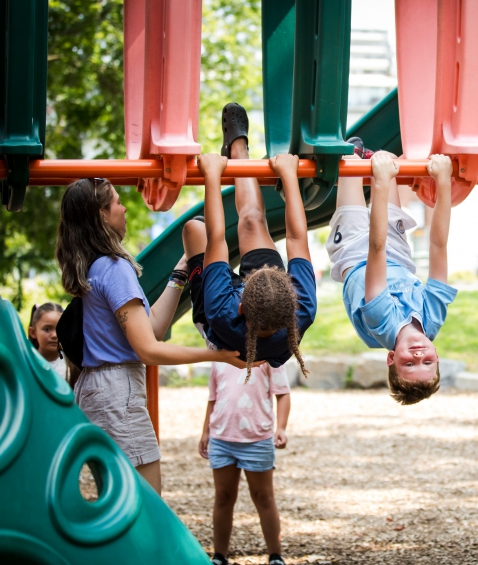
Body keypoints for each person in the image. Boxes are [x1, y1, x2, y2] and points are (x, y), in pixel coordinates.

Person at [56, 178, 243, 494]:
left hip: (100, 390)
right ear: (102, 215)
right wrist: (218, 355)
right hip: (117, 392)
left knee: (120, 499)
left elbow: (152, 327)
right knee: (145, 501)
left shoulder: (95, 267)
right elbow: (149, 350)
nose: (124, 208)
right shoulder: (113, 267)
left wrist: (181, 272)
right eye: (117, 202)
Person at [181, 103, 316, 380]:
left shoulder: (222, 312)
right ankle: (238, 152)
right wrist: (289, 175)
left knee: (195, 230)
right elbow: (296, 238)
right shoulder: (301, 308)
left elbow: (217, 239)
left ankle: (208, 269)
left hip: (221, 330)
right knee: (253, 221)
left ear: (240, 304)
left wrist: (212, 176)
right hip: (263, 309)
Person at [325, 147, 457, 405]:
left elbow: (376, 249)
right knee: (388, 158)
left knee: (351, 163)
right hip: (396, 255)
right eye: (427, 362)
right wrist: (444, 182)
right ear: (437, 356)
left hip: (354, 253)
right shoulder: (432, 317)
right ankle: (370, 156)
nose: (418, 355)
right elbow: (438, 246)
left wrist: (382, 183)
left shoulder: (381, 324)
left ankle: (355, 150)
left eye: (409, 363)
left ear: (391, 358)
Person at [198, 361, 291, 565]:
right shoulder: (219, 356)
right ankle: (219, 556)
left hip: (257, 439)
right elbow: (213, 398)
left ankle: (275, 557)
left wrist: (281, 428)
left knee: (263, 496)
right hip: (221, 439)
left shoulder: (270, 356)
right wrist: (205, 432)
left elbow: (283, 393)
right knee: (223, 496)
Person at [28, 302, 67, 378]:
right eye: (47, 329)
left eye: (60, 329)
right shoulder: (26, 363)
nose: (54, 335)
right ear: (33, 332)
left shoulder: (73, 366)